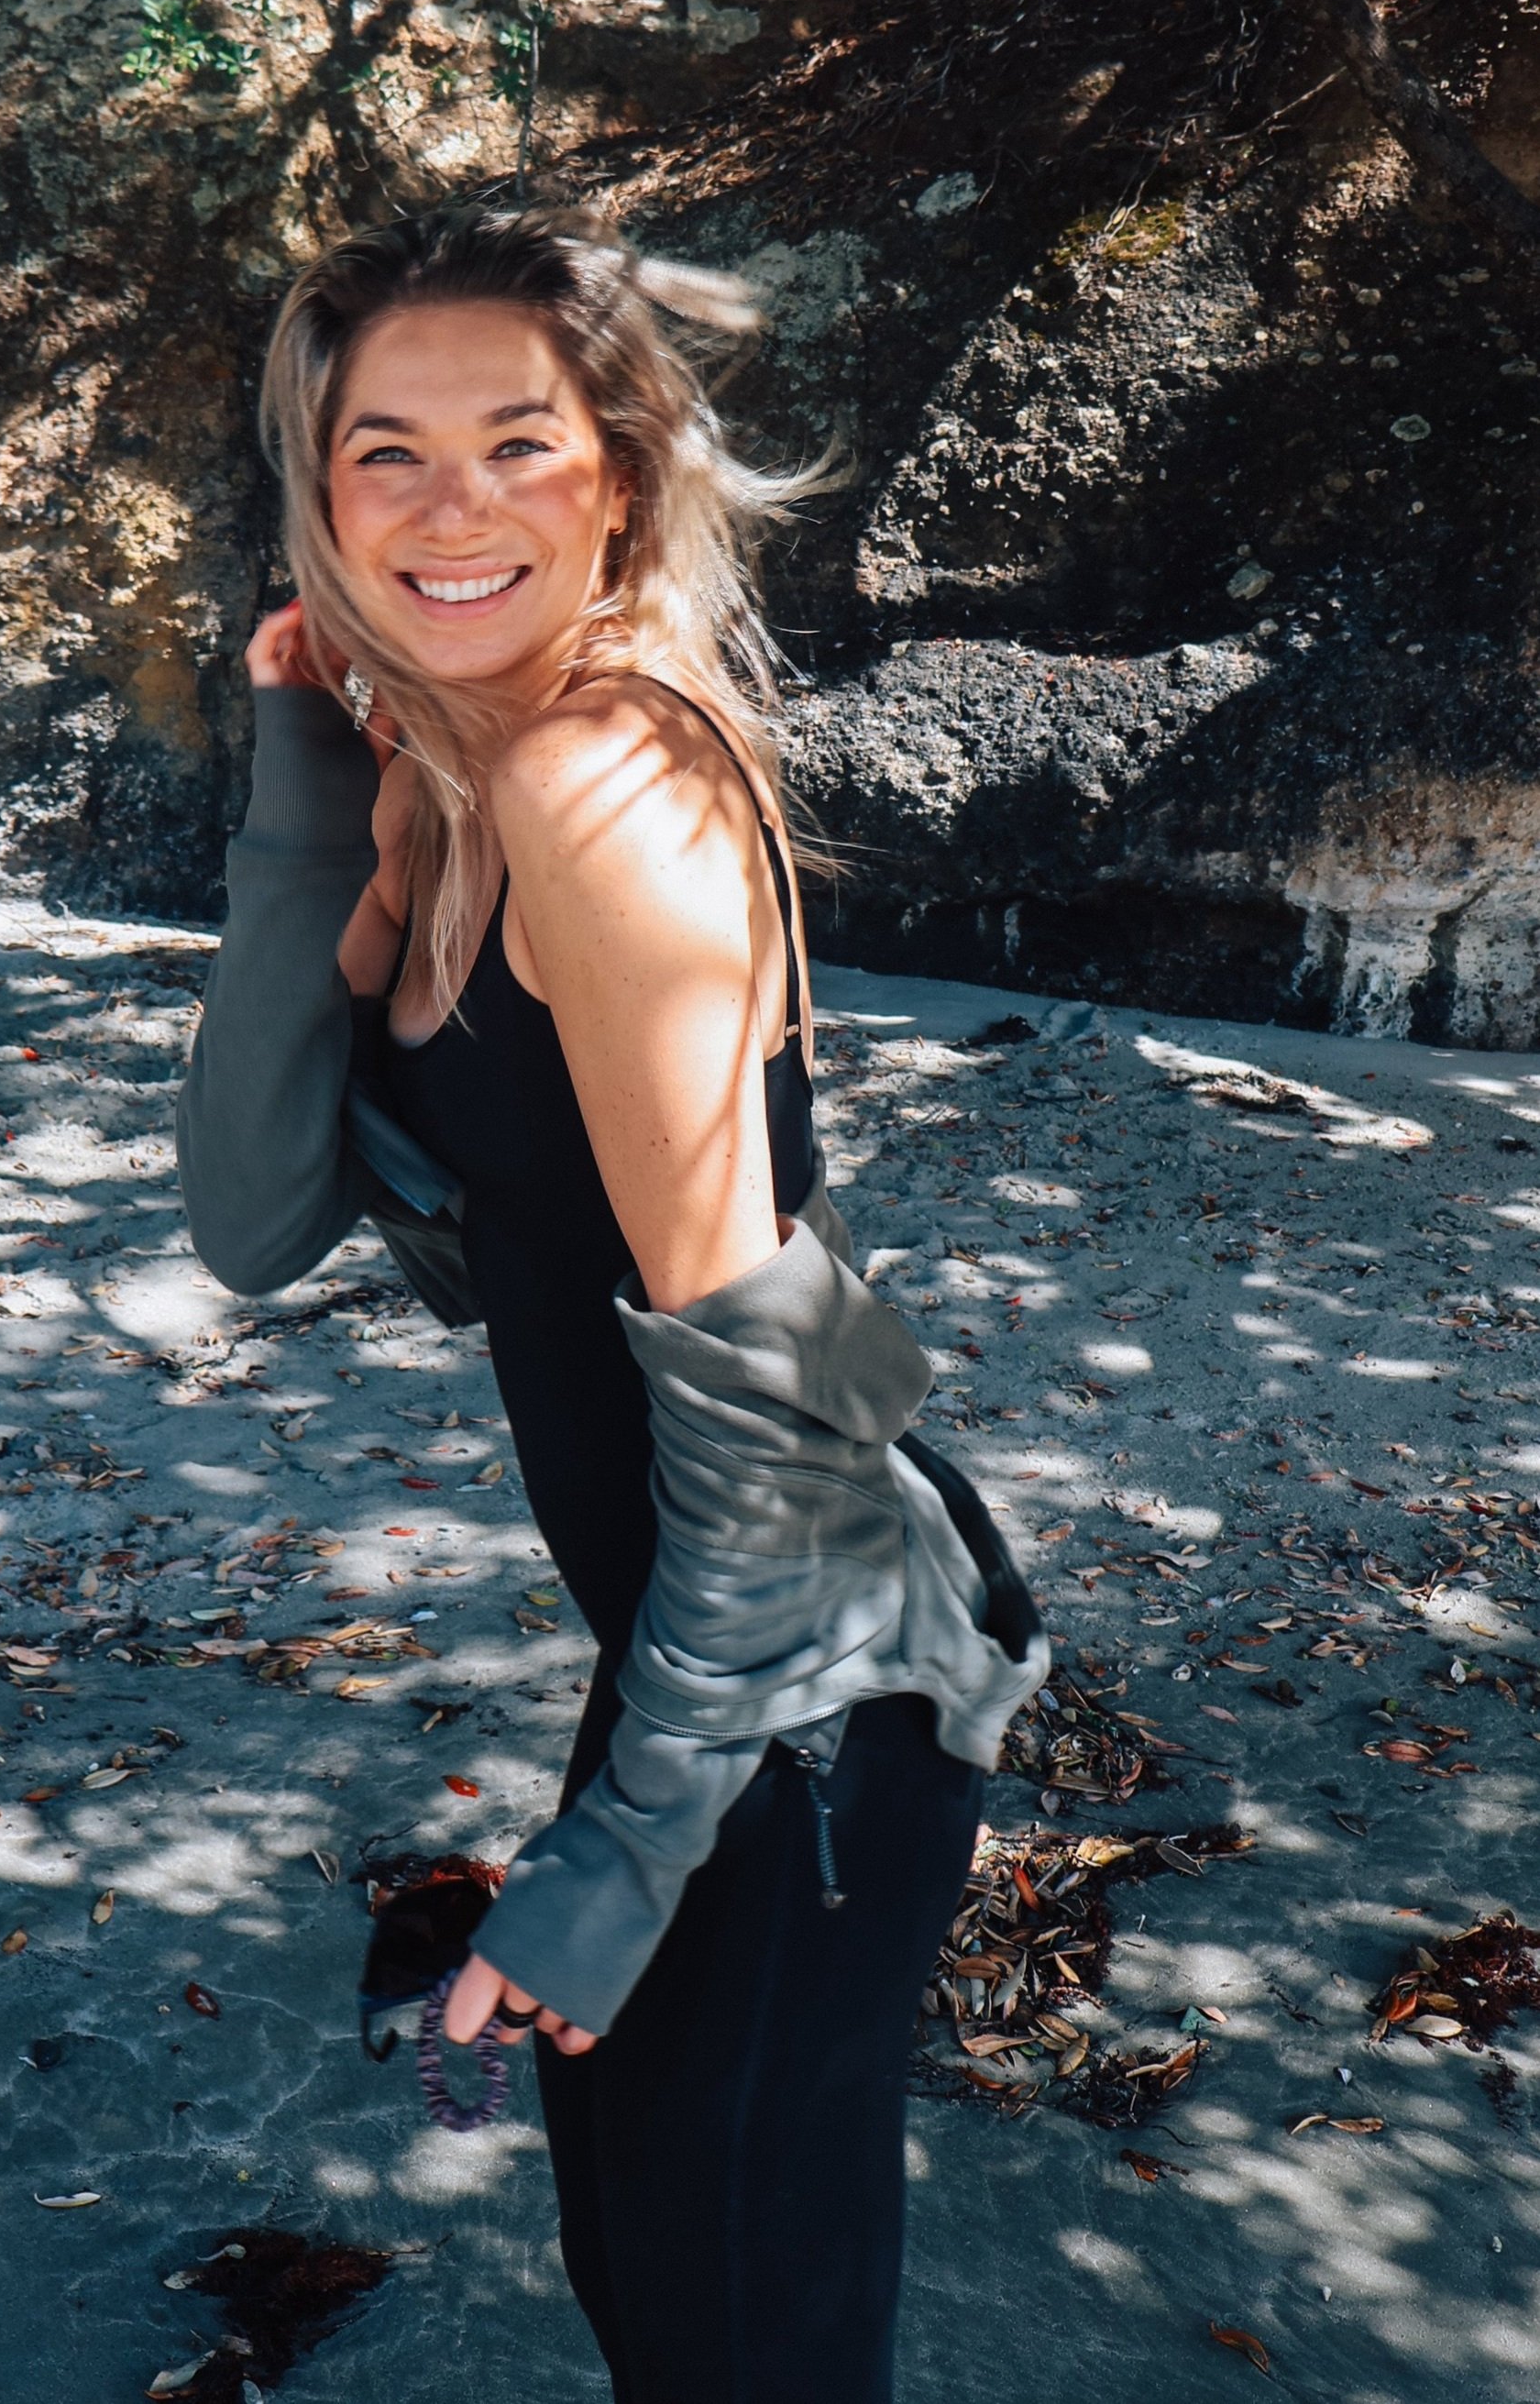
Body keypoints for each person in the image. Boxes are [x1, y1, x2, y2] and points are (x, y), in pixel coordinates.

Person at [176, 204, 1046, 2404]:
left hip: (814, 1655)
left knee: (729, 2296)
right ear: (319, 494)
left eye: (517, 444)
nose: (449, 508)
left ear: (623, 476)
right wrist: (303, 781)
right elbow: (254, 1216)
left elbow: (773, 1392)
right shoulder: (450, 773)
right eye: (385, 453)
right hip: (698, 1632)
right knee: (655, 2236)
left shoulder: (604, 784)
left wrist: (635, 1841)